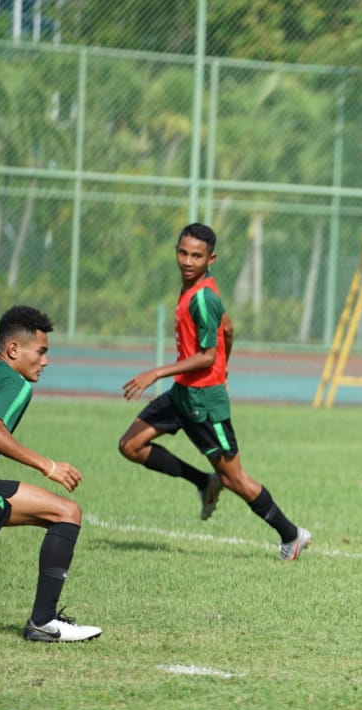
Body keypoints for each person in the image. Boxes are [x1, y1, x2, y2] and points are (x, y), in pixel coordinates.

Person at [119, 222, 311, 560]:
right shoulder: (191, 290)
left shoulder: (204, 297)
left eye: (197, 256)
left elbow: (208, 354)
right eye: (183, 252)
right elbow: (229, 328)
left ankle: (291, 534)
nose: (188, 261)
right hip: (183, 394)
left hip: (205, 403)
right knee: (131, 445)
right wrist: (224, 368)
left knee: (235, 478)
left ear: (211, 259)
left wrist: (158, 372)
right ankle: (203, 482)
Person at [0, 306, 101, 641]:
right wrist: (47, 466)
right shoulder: (16, 383)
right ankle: (43, 622)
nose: (45, 361)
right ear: (14, 350)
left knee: (66, 511)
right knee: (66, 513)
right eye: (42, 351)